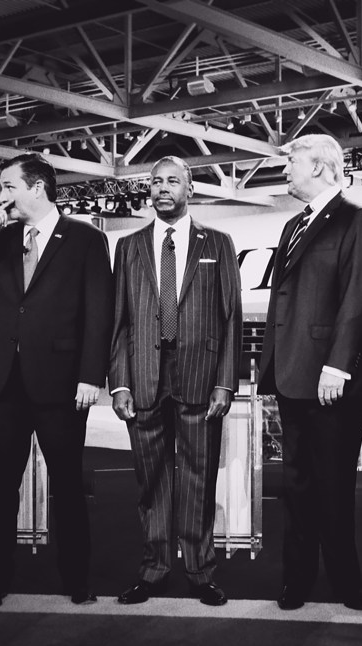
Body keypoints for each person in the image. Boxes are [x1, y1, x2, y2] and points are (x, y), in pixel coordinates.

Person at [0, 153, 114, 610]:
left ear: (37, 188)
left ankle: (77, 580)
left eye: (8, 186)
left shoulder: (84, 239)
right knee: (0, 490)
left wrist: (91, 375)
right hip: (4, 383)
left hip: (62, 385)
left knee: (67, 487)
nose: (1, 196)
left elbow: (98, 313)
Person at [109, 156, 242, 607]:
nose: (162, 188)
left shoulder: (218, 243)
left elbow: (230, 320)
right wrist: (119, 383)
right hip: (144, 377)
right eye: (155, 181)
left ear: (190, 188)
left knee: (199, 480)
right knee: (151, 482)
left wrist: (226, 382)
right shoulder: (128, 246)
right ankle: (154, 570)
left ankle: (200, 572)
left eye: (172, 181)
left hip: (201, 381)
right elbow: (119, 322)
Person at [259, 134, 362, 612]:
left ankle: (346, 582)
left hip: (334, 380)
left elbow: (357, 299)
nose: (285, 170)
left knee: (334, 486)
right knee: (297, 485)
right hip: (291, 377)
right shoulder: (293, 224)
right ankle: (298, 580)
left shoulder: (358, 219)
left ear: (322, 167)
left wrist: (337, 366)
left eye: (292, 161)